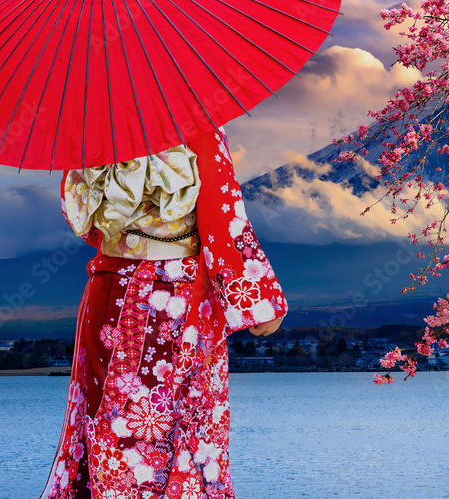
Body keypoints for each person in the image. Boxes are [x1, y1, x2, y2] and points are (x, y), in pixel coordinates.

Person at [40, 125, 287, 499]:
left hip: (108, 289)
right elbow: (221, 209)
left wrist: (131, 233)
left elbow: (85, 221)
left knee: (110, 428)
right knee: (178, 430)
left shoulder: (92, 120)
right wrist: (257, 299)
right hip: (171, 296)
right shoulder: (190, 114)